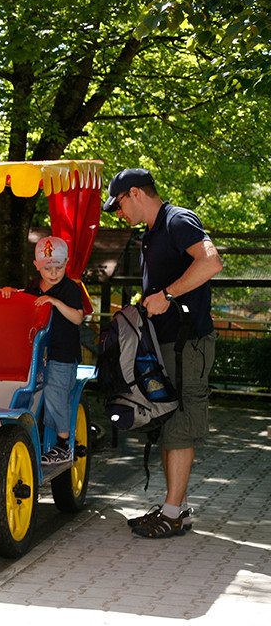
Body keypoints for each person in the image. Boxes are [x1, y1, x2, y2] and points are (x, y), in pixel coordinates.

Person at [103, 168, 223, 539]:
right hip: (165, 343)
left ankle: (172, 513)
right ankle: (177, 509)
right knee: (169, 420)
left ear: (135, 193)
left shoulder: (177, 220)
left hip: (187, 343)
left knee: (179, 424)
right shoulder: (152, 234)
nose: (119, 214)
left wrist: (168, 295)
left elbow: (211, 261)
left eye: (119, 205)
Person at [0, 236, 84, 465]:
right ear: (37, 266)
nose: (53, 273)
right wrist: (10, 292)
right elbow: (24, 301)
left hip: (61, 354)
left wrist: (55, 303)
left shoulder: (70, 288)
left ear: (66, 263)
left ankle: (64, 445)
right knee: (29, 393)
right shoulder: (34, 286)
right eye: (47, 268)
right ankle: (22, 435)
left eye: (58, 267)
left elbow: (78, 317)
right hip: (36, 354)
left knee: (56, 393)